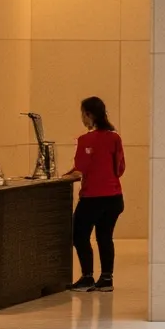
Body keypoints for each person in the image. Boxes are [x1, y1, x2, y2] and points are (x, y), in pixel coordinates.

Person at [71, 95, 125, 291]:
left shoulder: (85, 140)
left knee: (79, 234)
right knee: (105, 236)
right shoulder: (115, 137)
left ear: (89, 114)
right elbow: (120, 168)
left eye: (83, 114)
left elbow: (80, 169)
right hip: (114, 197)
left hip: (92, 198)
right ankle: (106, 279)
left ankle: (87, 276)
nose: (82, 119)